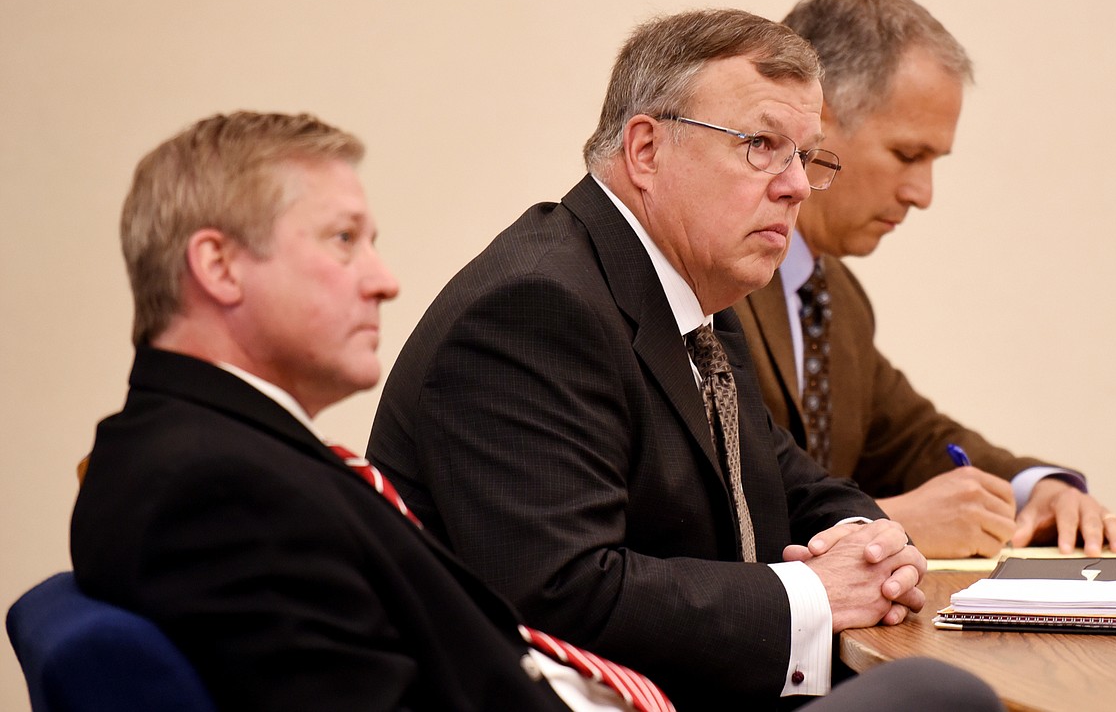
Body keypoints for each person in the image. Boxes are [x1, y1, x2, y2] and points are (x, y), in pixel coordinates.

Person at [368, 10, 1001, 711]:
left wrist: (869, 544)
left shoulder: (694, 296)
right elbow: (563, 593)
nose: (794, 184)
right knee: (941, 695)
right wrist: (813, 593)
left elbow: (790, 482)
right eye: (762, 144)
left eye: (805, 155)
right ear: (645, 150)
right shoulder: (537, 307)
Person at [70, 111, 685, 712]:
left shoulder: (225, 450)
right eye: (344, 240)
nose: (385, 281)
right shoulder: (220, 493)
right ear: (219, 267)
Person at [733, 0, 1116, 559]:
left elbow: (913, 439)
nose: (922, 194)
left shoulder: (834, 296)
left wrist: (1040, 488)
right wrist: (883, 523)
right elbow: (704, 512)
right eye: (907, 154)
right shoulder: (718, 277)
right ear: (815, 123)